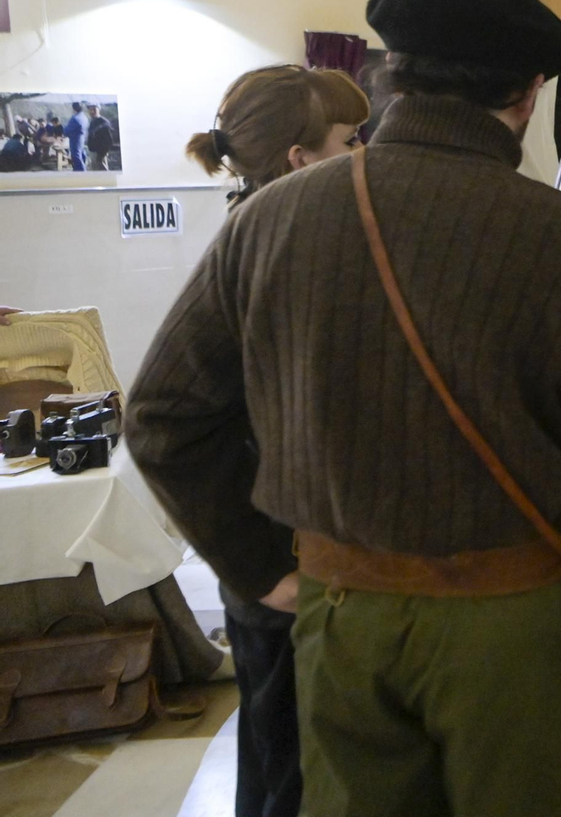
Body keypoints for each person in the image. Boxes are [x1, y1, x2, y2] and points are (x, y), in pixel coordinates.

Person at [126, 0, 561, 817]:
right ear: (528, 96)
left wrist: (260, 566)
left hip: (341, 618)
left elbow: (161, 417)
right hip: (512, 624)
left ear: (391, 77)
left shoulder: (269, 221)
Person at [177, 63, 370, 817]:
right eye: (352, 140)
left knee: (274, 753)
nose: (364, 154)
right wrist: (260, 570)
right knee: (292, 764)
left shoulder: (257, 235)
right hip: (282, 559)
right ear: (301, 158)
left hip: (277, 559)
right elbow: (182, 428)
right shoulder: (272, 257)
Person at [85, 104, 115, 170]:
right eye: (90, 109)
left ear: (99, 109)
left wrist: (101, 155)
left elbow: (109, 141)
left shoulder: (103, 122)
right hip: (93, 152)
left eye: (94, 109)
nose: (92, 111)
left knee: (103, 174)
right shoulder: (92, 122)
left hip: (100, 154)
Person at [63, 102, 88, 171]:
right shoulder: (84, 117)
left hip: (75, 138)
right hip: (82, 138)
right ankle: (81, 169)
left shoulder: (75, 118)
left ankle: (81, 172)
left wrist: (64, 129)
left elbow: (67, 130)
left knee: (76, 156)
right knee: (82, 154)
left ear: (74, 108)